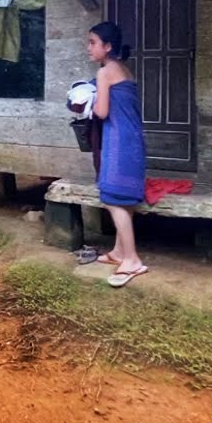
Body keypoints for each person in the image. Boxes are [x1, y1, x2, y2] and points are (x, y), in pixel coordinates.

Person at [87, 21, 149, 288]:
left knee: (112, 197)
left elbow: (101, 112)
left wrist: (84, 103)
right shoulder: (124, 69)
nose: (88, 48)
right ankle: (119, 251)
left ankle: (132, 260)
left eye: (92, 43)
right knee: (124, 197)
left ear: (107, 46)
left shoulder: (105, 73)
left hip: (118, 140)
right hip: (132, 139)